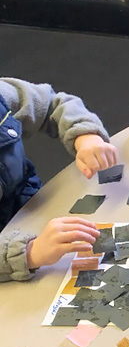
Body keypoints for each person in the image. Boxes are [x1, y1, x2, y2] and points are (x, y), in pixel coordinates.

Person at [1, 76, 118, 282]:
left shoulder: (3, 94)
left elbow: (51, 104)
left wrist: (85, 136)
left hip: (29, 204)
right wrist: (28, 253)